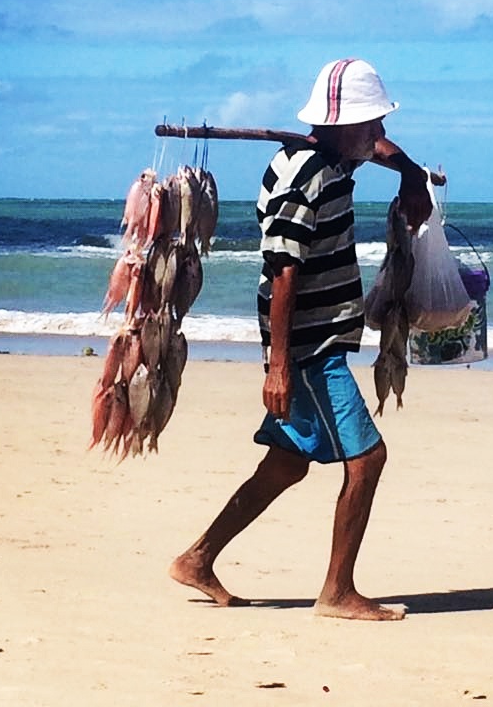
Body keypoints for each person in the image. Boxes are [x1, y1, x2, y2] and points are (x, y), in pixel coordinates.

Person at [169, 58, 433, 621]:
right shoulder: (304, 177)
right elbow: (282, 270)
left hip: (317, 336)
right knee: (368, 459)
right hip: (308, 344)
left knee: (286, 465)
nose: (381, 135)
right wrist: (278, 366)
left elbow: (382, 151)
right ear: (344, 126)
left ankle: (198, 558)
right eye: (373, 124)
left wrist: (411, 173)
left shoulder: (335, 156)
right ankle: (337, 592)